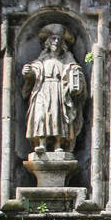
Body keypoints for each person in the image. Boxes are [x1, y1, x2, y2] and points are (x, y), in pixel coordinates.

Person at [21, 23, 87, 155]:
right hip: (42, 90)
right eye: (53, 38)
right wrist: (28, 72)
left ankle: (58, 144)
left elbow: (75, 70)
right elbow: (34, 71)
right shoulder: (42, 60)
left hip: (59, 91)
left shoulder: (68, 60)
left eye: (58, 39)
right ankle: (42, 143)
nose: (56, 41)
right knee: (40, 116)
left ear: (63, 43)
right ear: (47, 42)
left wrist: (76, 75)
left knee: (58, 116)